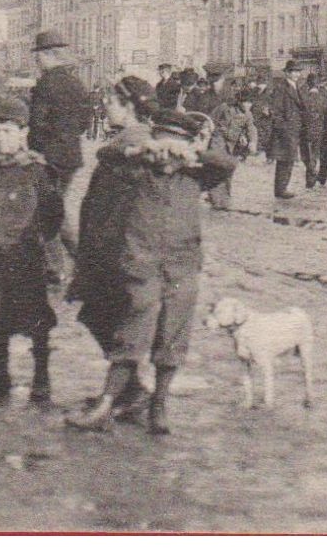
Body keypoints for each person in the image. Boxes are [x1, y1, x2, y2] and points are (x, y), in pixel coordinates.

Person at [67, 110, 236, 435]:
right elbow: (107, 153)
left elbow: (227, 165)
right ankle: (106, 403)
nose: (168, 154)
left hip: (182, 263)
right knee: (134, 330)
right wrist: (141, 149)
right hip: (141, 261)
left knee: (173, 333)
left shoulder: (196, 174)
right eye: (164, 144)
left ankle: (159, 404)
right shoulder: (137, 170)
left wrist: (194, 153)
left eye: (176, 146)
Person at [67, 75, 157, 420]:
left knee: (110, 318)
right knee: (98, 314)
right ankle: (131, 390)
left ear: (130, 107)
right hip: (106, 245)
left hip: (117, 248)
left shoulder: (133, 145)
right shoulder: (123, 142)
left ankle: (128, 393)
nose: (105, 106)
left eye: (113, 102)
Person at [0, 97, 61, 403]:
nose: (0, 137)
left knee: (36, 320)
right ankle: (0, 374)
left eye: (7, 130)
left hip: (26, 256)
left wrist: (44, 250)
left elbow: (52, 216)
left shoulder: (37, 169)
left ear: (23, 133)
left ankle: (42, 377)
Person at [28, 30, 91, 250]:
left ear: (49, 55)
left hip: (49, 158)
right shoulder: (77, 83)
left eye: (39, 56)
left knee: (47, 212)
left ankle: (69, 261)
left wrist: (37, 151)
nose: (37, 61)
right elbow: (85, 121)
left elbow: (37, 123)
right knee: (55, 206)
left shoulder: (45, 84)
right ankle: (78, 255)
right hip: (71, 156)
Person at [268, 60, 305, 199]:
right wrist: (282, 128)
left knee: (289, 159)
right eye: (294, 71)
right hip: (285, 130)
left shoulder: (296, 87)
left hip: (295, 129)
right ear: (287, 73)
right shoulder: (281, 88)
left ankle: (283, 188)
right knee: (284, 159)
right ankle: (280, 189)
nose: (297, 74)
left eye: (298, 71)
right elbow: (276, 111)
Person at [302, 74, 327, 190]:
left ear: (308, 84)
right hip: (319, 131)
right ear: (317, 85)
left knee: (307, 156)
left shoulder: (303, 98)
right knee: (315, 155)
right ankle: (311, 178)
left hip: (305, 131)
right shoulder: (323, 99)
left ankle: (310, 179)